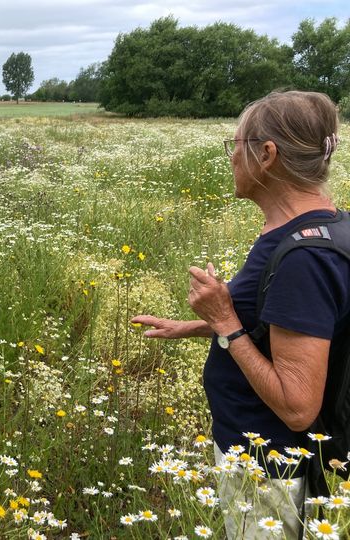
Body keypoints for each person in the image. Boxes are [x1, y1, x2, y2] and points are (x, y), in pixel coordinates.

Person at [132, 90, 349, 539]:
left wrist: (225, 320)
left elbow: (297, 406)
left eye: (235, 145)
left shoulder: (302, 259)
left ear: (267, 154)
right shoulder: (327, 225)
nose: (231, 157)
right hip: (265, 459)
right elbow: (288, 327)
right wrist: (197, 325)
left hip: (270, 466)